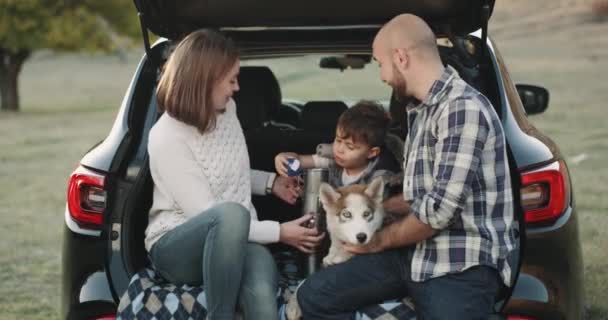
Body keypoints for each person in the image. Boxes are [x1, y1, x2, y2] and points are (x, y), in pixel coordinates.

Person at [296, 14, 517, 320]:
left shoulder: (462, 109)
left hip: (459, 263)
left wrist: (379, 241)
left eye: (379, 64)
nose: (382, 76)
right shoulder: (421, 111)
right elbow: (420, 196)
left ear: (400, 58)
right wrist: (379, 208)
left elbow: (439, 211)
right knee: (313, 296)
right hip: (411, 254)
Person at [144, 29, 324, 320]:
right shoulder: (166, 137)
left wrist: (272, 183)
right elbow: (211, 213)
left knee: (262, 296)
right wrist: (280, 232)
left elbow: (231, 175)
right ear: (204, 81)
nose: (237, 88)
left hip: (237, 237)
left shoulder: (227, 111)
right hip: (176, 247)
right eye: (231, 80)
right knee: (232, 215)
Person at [274, 100, 402, 191]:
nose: (340, 150)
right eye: (338, 140)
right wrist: (284, 158)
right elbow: (300, 161)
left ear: (372, 152)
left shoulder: (380, 179)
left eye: (350, 147)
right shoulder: (333, 160)